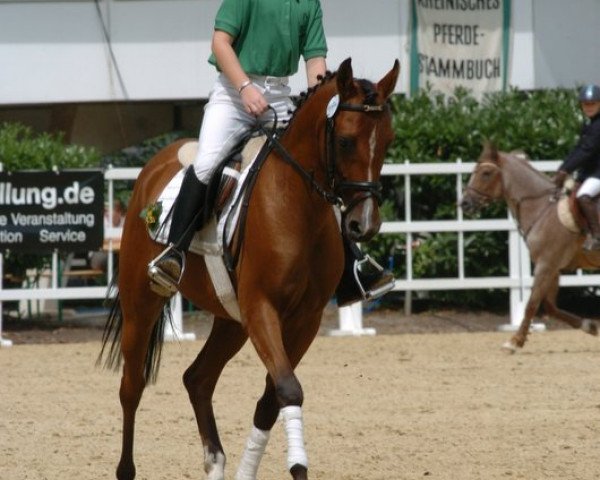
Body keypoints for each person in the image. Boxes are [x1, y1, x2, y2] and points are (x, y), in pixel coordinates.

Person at [148, 0, 394, 305]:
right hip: (233, 93)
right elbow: (220, 43)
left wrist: (322, 104)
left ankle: (351, 268)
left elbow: (316, 62)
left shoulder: (309, 5)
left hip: (279, 96)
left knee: (317, 170)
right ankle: (174, 254)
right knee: (208, 162)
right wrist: (244, 87)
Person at [554, 84, 600, 250]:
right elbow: (578, 149)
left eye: (593, 104)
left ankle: (596, 236)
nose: (589, 107)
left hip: (598, 174)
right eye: (586, 104)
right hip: (591, 173)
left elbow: (587, 151)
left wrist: (567, 170)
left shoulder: (598, 126)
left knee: (583, 195)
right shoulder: (589, 124)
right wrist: (563, 168)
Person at [90, 200, 125, 272]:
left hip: (118, 255)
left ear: (119, 213)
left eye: (109, 212)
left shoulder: (125, 222)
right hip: (100, 255)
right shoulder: (101, 222)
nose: (107, 214)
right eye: (106, 212)